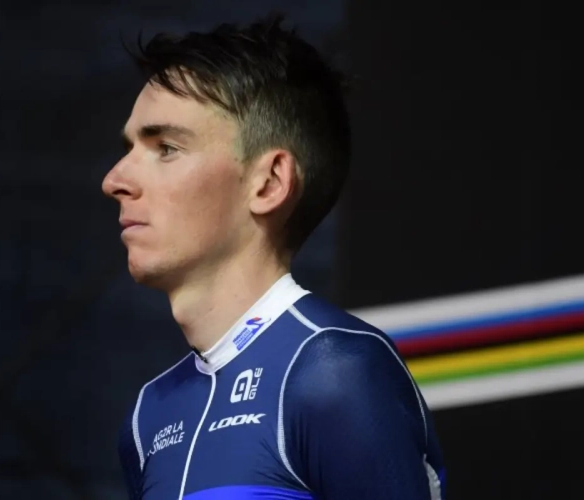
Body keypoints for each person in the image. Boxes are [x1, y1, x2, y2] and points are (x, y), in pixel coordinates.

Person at [103, 14, 445, 500]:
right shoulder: (147, 417)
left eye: (166, 148)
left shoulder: (333, 371)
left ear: (269, 183)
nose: (114, 180)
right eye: (130, 148)